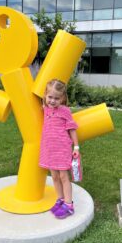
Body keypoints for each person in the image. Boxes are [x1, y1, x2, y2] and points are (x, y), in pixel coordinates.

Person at [39, 79, 80, 219]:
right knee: (54, 176)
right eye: (50, 97)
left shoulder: (65, 111)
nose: (52, 101)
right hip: (49, 148)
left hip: (62, 149)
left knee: (63, 176)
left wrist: (76, 146)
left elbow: (72, 129)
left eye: (57, 98)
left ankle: (69, 205)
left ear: (62, 98)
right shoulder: (45, 109)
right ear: (45, 95)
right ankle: (60, 199)